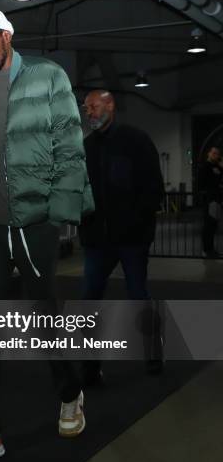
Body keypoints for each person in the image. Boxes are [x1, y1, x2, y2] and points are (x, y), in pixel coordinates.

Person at [0, 9, 94, 462]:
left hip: (32, 219)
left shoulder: (48, 77)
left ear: (7, 36)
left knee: (43, 313)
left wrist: (61, 211)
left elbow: (70, 143)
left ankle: (70, 394)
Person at [79, 89, 164, 380]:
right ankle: (90, 364)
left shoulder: (136, 141)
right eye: (86, 108)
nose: (89, 112)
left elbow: (154, 188)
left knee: (138, 296)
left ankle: (153, 356)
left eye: (93, 106)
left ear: (110, 105)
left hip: (131, 239)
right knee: (90, 299)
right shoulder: (86, 147)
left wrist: (139, 226)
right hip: (97, 241)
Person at [198, 146, 223, 258]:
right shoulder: (205, 166)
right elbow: (201, 183)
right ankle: (207, 249)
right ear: (209, 154)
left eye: (217, 153)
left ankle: (211, 249)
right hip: (210, 200)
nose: (215, 155)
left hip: (216, 200)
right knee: (208, 225)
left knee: (213, 225)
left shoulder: (217, 166)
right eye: (213, 153)